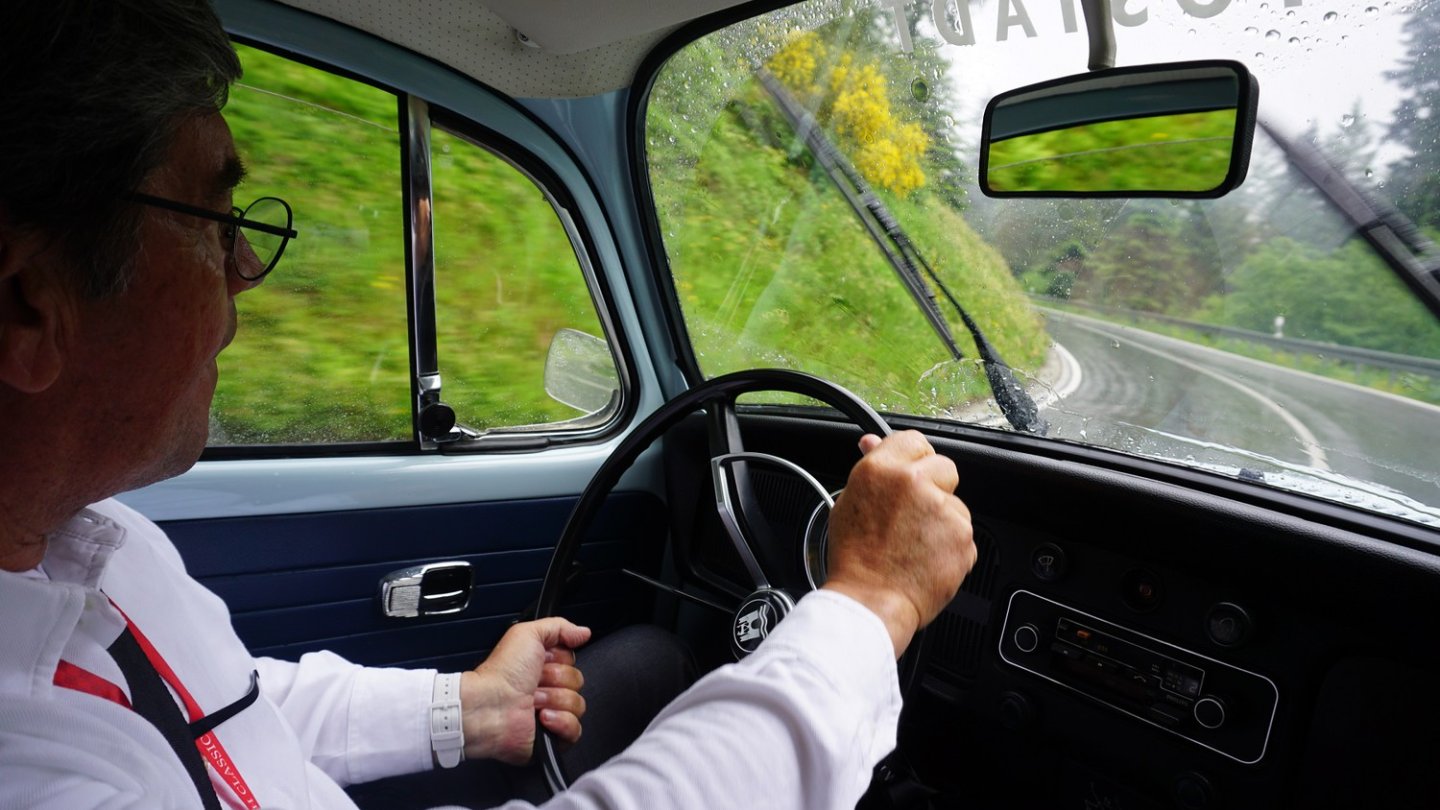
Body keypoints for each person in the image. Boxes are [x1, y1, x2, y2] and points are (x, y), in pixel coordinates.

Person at [0, 2, 977, 809]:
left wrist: (468, 708)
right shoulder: (35, 771)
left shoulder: (98, 545)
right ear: (28, 303)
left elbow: (229, 708)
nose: (249, 268)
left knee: (641, 661)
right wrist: (869, 607)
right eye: (214, 223)